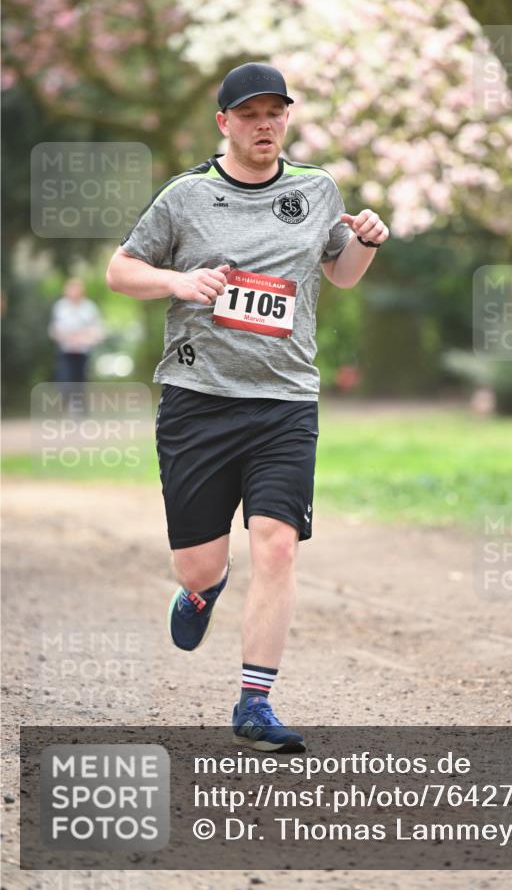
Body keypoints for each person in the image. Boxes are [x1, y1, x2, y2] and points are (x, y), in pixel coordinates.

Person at [106, 62, 389, 751]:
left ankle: (254, 703)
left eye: (276, 113)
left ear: (287, 118)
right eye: (251, 114)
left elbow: (339, 273)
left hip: (285, 401)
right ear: (223, 122)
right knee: (199, 565)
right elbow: (120, 271)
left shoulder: (316, 189)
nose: (265, 125)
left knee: (277, 546)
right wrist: (181, 279)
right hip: (198, 400)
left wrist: (367, 244)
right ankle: (202, 590)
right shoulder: (186, 197)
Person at [49, 277, 104, 409]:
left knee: (80, 380)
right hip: (65, 350)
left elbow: (98, 330)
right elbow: (54, 329)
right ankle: (67, 401)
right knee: (64, 377)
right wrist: (64, 337)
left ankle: (79, 407)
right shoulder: (60, 307)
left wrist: (85, 338)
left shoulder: (89, 308)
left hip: (83, 351)